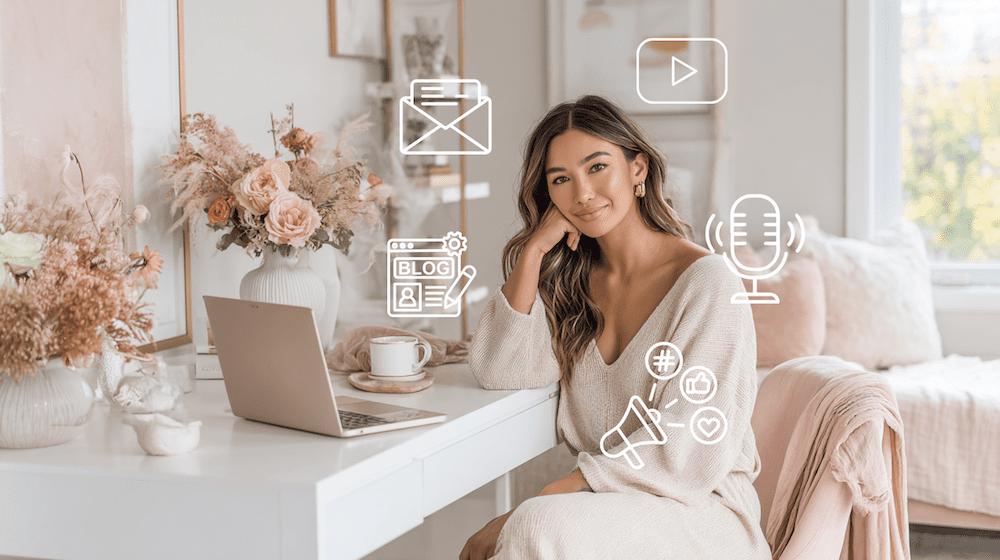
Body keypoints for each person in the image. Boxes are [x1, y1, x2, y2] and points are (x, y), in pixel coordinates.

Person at [462, 95, 771, 560]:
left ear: (638, 169)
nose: (582, 193)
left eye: (597, 167)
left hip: (702, 514)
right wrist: (532, 255)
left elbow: (689, 443)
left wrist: (554, 493)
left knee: (534, 524)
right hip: (611, 514)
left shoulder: (708, 284)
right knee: (537, 524)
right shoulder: (570, 284)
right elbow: (499, 370)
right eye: (561, 180)